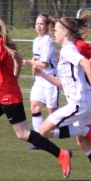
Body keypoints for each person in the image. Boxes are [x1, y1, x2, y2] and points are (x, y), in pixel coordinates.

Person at [0, 15, 73, 178]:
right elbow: (18, 57)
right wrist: (15, 76)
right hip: (0, 94)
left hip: (9, 96)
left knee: (23, 134)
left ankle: (61, 154)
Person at [30, 17, 91, 181]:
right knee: (84, 143)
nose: (54, 33)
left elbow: (86, 62)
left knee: (43, 131)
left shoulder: (67, 50)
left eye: (56, 30)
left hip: (79, 102)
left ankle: (87, 130)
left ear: (65, 32)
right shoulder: (67, 51)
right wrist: (43, 74)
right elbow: (63, 83)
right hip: (85, 102)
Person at [27, 14, 59, 150]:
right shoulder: (36, 40)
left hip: (50, 79)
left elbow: (44, 64)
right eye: (37, 23)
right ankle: (39, 141)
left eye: (41, 24)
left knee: (53, 114)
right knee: (34, 106)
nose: (38, 26)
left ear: (47, 26)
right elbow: (36, 58)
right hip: (40, 79)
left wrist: (30, 62)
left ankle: (80, 128)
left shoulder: (48, 40)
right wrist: (31, 62)